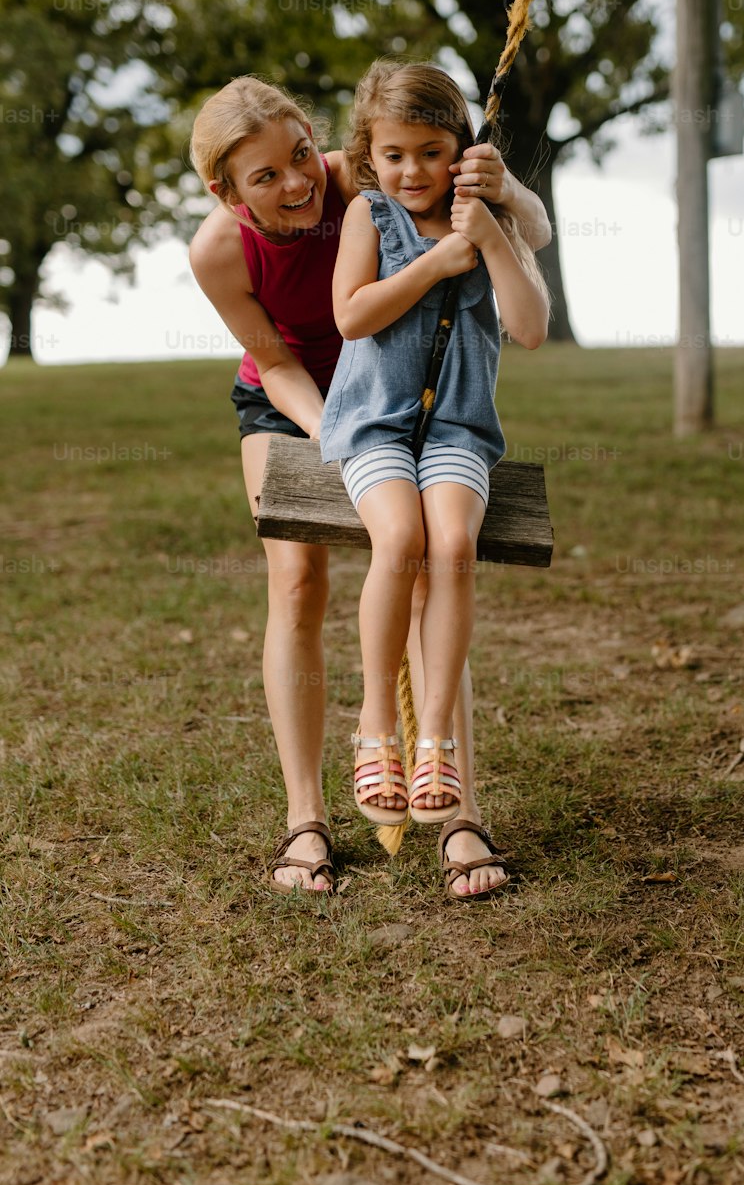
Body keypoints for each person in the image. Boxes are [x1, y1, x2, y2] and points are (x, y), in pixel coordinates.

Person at [188, 75, 550, 896]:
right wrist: (341, 436)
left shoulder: (371, 172)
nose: (297, 182)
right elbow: (276, 361)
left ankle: (458, 815)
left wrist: (502, 188)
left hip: (413, 389)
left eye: (302, 156)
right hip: (297, 402)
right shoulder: (220, 248)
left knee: (434, 561)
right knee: (297, 579)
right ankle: (306, 820)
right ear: (226, 192)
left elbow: (519, 233)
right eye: (266, 177)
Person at [320, 60, 549, 900]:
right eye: (392, 154)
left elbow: (528, 329)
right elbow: (351, 314)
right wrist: (436, 261)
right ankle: (377, 722)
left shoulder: (486, 220)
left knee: (450, 541)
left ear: (463, 149)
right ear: (369, 158)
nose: (411, 170)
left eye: (430, 150)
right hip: (374, 425)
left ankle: (436, 742)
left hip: (456, 429)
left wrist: (488, 238)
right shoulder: (367, 216)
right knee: (401, 537)